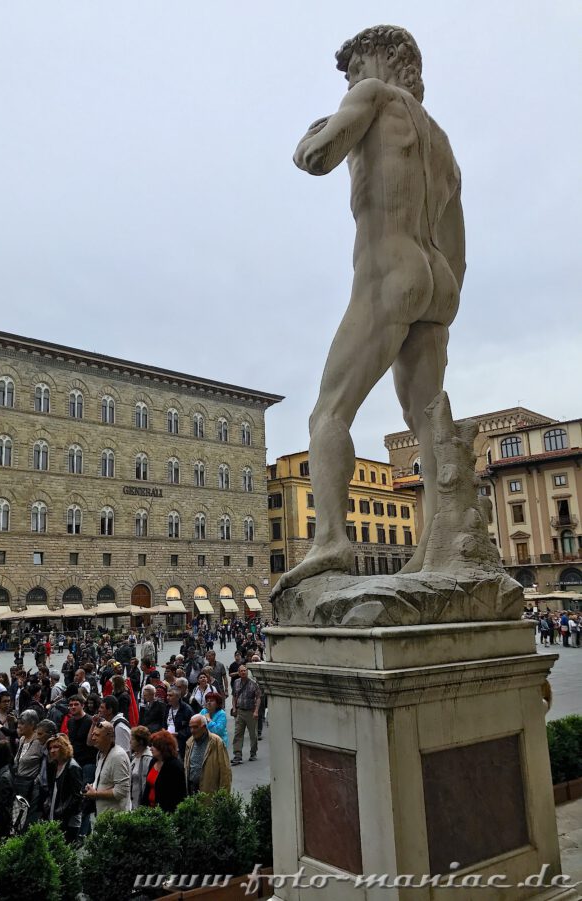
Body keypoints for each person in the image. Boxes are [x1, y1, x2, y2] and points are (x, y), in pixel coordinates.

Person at [273, 24, 465, 595]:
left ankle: (331, 539)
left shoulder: (373, 97)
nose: (352, 79)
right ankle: (438, 544)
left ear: (382, 60)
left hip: (388, 270)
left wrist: (313, 132)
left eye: (356, 66)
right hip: (440, 280)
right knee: (426, 419)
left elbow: (315, 157)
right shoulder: (444, 144)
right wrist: (440, 296)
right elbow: (458, 245)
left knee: (327, 413)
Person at [83, 721, 130, 815]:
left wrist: (95, 794)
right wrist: (93, 786)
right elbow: (105, 780)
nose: (93, 738)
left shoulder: (118, 756)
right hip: (102, 817)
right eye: (93, 734)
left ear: (109, 737)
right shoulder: (101, 753)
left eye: (97, 735)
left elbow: (121, 791)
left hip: (115, 820)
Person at [45, 734, 83, 843]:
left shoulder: (73, 767)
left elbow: (77, 797)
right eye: (50, 748)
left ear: (64, 747)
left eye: (56, 747)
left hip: (68, 818)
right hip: (55, 812)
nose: (52, 750)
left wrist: (62, 811)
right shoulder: (53, 765)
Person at [184, 714, 232, 795]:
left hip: (209, 792)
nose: (192, 730)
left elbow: (225, 772)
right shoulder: (189, 742)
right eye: (190, 727)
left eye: (195, 727)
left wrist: (223, 796)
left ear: (204, 727)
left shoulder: (217, 742)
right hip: (192, 790)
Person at [141, 729, 186, 813]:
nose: (151, 749)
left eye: (154, 746)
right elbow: (148, 787)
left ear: (162, 747)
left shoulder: (175, 766)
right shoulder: (153, 761)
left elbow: (178, 795)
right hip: (149, 810)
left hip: (165, 813)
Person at [231, 665, 261, 765]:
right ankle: (237, 755)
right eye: (241, 671)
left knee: (253, 734)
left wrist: (256, 711)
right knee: (238, 733)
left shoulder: (253, 683)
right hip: (240, 711)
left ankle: (253, 753)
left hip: (250, 712)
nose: (243, 672)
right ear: (239, 673)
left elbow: (258, 697)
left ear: (247, 672)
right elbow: (234, 696)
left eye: (245, 671)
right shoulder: (236, 682)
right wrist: (234, 708)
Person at [163, 686, 193, 758]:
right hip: (168, 742)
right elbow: (164, 723)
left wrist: (178, 734)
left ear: (178, 697)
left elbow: (191, 728)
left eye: (170, 695)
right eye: (167, 695)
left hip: (181, 744)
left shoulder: (187, 710)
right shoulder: (167, 708)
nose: (167, 697)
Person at [130, 725, 154, 809]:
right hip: (133, 802)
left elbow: (145, 783)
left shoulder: (147, 758)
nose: (130, 741)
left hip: (141, 804)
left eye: (132, 739)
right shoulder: (134, 756)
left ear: (140, 741)